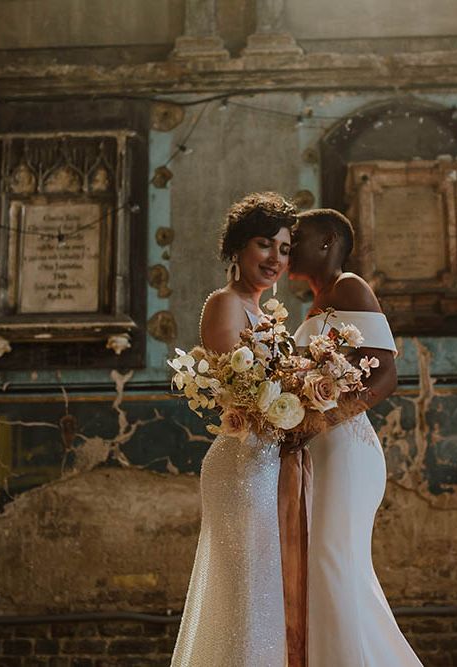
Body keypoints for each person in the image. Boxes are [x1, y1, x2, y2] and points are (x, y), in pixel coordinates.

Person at [283, 208, 424, 666]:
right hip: (320, 451)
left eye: (296, 239)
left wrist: (314, 424)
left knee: (331, 564)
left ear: (326, 241)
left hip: (346, 450)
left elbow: (386, 375)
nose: (287, 248)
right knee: (331, 570)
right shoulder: (317, 300)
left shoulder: (349, 286)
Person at [170, 192, 296, 666]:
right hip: (243, 468)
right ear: (239, 247)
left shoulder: (264, 314)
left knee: (266, 595)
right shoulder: (225, 304)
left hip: (267, 465)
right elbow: (240, 394)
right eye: (265, 244)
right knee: (247, 597)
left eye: (284, 249)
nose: (276, 259)